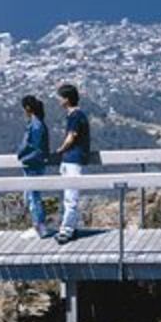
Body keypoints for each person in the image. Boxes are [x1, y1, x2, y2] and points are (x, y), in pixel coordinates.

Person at [54, 84, 91, 245]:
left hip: (72, 159)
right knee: (69, 195)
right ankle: (71, 226)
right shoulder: (76, 114)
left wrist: (61, 149)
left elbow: (72, 136)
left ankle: (66, 230)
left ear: (67, 99)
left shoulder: (75, 116)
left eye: (60, 97)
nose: (58, 100)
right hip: (71, 159)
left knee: (71, 196)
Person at [17, 96, 50, 239]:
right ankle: (38, 225)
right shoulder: (38, 123)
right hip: (34, 163)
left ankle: (39, 226)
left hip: (33, 164)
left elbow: (37, 149)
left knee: (33, 196)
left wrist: (24, 157)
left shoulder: (36, 125)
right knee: (32, 195)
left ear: (28, 108)